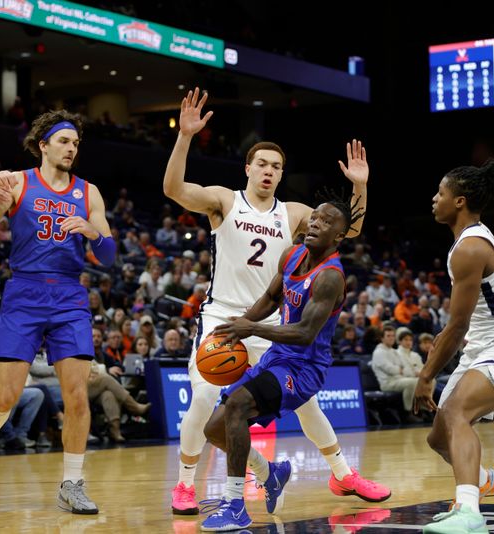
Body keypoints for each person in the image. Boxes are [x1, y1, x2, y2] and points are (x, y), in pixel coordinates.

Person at [163, 88, 387, 514]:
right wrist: (185, 136)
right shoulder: (224, 200)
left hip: (270, 323)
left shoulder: (296, 213)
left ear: (282, 175)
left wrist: (359, 186)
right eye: (262, 164)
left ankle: (344, 476)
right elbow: (173, 187)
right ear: (247, 167)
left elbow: (349, 230)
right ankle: (186, 484)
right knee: (206, 400)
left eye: (277, 167)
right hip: (225, 317)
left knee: (305, 402)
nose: (268, 171)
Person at [0, 110, 115, 514]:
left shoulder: (88, 192)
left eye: (76, 143)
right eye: (64, 141)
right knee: (7, 394)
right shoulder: (18, 183)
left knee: (77, 397)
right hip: (25, 292)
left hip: (69, 296)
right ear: (43, 144)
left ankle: (72, 483)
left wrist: (93, 231)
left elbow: (109, 255)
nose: (71, 149)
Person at [201, 196, 360, 530]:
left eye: (326, 221)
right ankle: (269, 473)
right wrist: (239, 326)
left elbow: (304, 333)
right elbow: (271, 298)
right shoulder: (293, 254)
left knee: (237, 408)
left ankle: (235, 506)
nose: (315, 223)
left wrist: (252, 328)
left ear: (339, 237)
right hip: (278, 357)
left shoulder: (330, 277)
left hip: (304, 368)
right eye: (314, 217)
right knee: (214, 429)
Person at [414, 160, 494, 533]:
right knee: (438, 436)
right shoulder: (465, 243)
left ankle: (469, 512)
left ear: (459, 201)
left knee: (454, 414)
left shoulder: (470, 248)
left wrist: (426, 376)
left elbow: (458, 325)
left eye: (441, 193)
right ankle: (481, 479)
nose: (434, 199)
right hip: (482, 346)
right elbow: (462, 327)